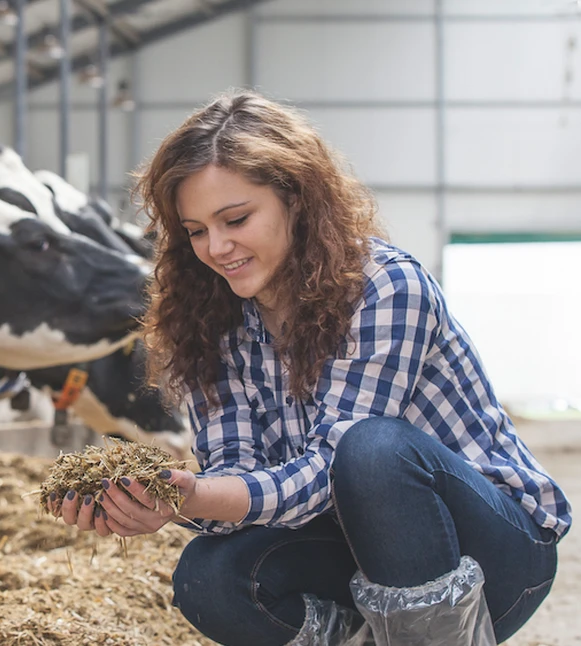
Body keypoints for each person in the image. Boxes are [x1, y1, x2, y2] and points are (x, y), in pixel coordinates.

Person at [48, 90, 571, 646]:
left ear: (295, 199)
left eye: (236, 219)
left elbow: (330, 471)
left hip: (490, 551)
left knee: (372, 452)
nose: (216, 247)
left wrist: (193, 494)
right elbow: (238, 471)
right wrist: (163, 501)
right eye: (195, 230)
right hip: (351, 547)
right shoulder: (210, 319)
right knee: (209, 576)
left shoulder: (385, 288)